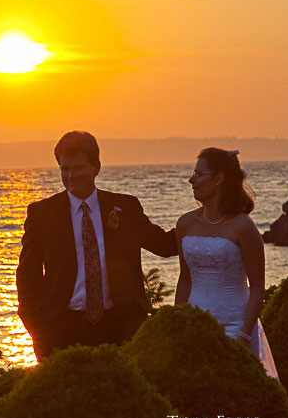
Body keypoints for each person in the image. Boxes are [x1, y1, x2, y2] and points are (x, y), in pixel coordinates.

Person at [16, 131, 177, 361]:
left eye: (78, 168)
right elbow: (27, 275)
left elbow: (164, 245)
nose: (71, 175)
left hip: (119, 327)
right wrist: (36, 328)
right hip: (60, 330)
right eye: (65, 169)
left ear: (96, 167)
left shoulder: (125, 207)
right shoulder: (42, 214)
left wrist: (205, 219)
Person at [175, 147, 278, 378]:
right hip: (194, 327)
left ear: (219, 178)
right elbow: (185, 278)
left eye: (198, 174)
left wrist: (244, 334)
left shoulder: (243, 227)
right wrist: (177, 323)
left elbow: (258, 287)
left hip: (235, 326)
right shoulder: (185, 224)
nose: (192, 179)